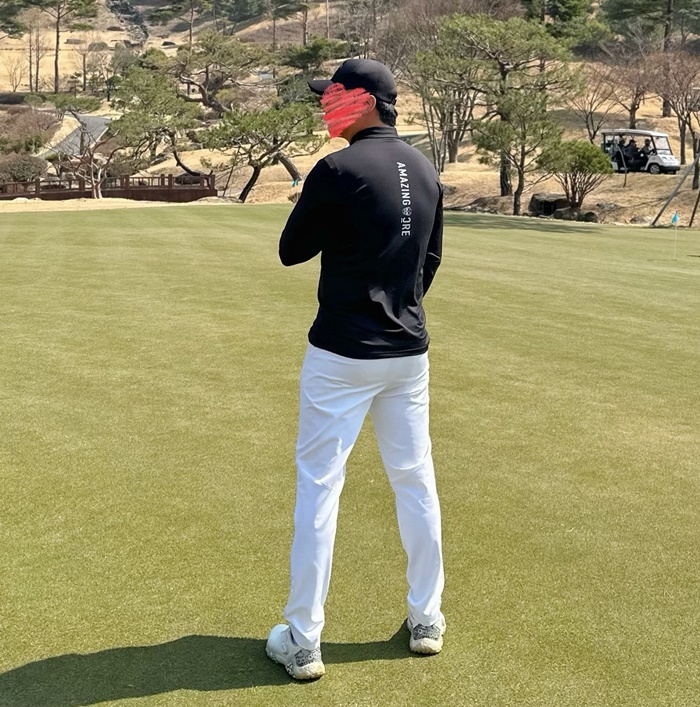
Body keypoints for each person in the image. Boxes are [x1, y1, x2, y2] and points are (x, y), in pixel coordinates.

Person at [265, 58, 445, 681]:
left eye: (334, 95)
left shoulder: (336, 169)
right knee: (415, 480)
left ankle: (302, 638)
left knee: (320, 486)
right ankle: (427, 618)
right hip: (407, 353)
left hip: (342, 352)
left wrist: (321, 207)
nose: (326, 105)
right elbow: (429, 262)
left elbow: (291, 250)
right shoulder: (425, 168)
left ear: (365, 100)